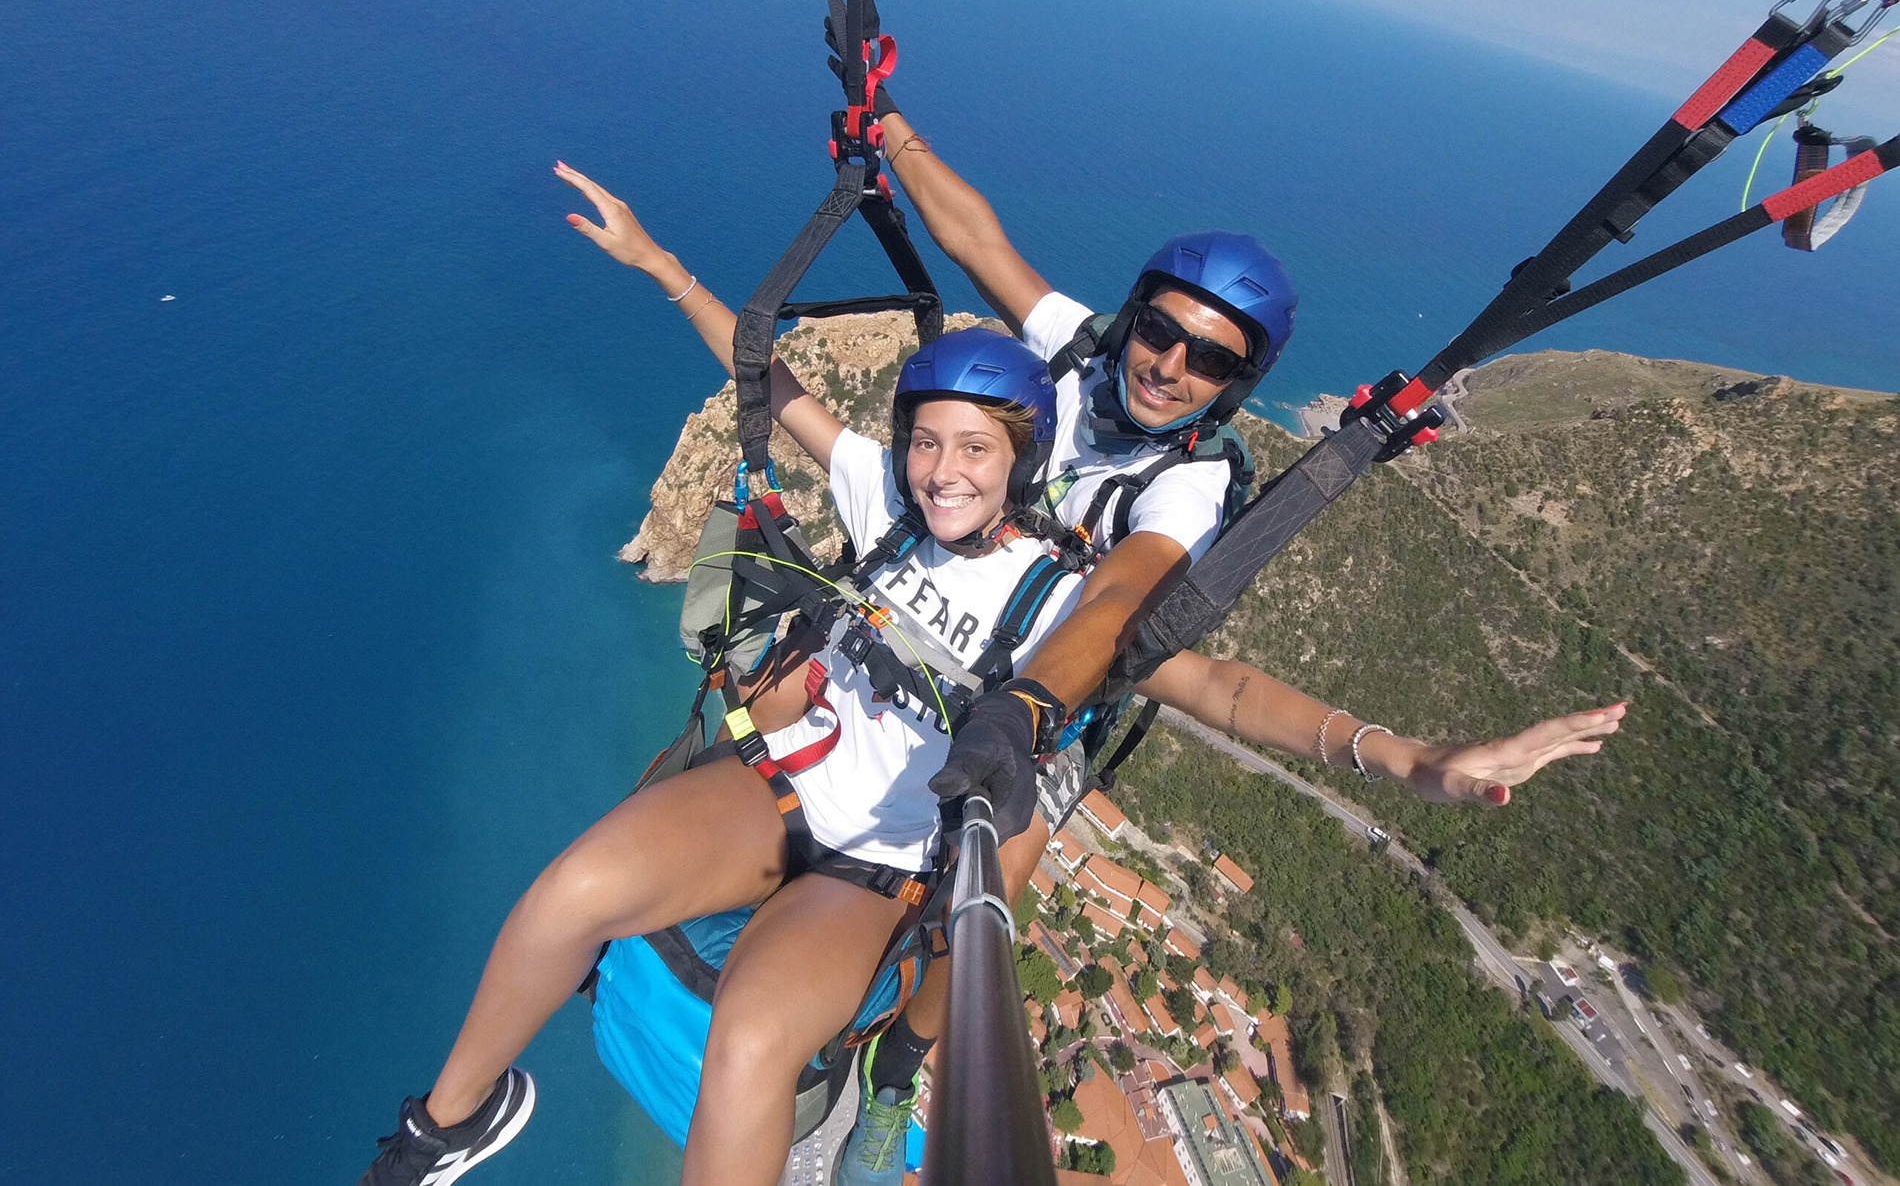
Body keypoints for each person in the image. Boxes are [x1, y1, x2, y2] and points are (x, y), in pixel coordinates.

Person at [557, 159, 1624, 1186]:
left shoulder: (1189, 481)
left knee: (988, 878)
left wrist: (1410, 756)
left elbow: (1141, 625)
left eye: (1205, 359)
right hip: (931, 623)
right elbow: (974, 242)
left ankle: (893, 1072)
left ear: (1233, 381)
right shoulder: (1080, 355)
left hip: (1044, 685)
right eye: (1156, 330)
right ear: (1131, 320)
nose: (1166, 365)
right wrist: (884, 132)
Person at [354, 182, 1097, 1185]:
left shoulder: (1056, 597)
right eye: (926, 439)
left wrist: (1366, 746)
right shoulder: (883, 494)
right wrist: (661, 264)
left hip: (877, 868)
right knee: (568, 892)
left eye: (976, 448)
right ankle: (441, 1133)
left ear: (1023, 460)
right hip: (774, 784)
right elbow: (770, 384)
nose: (939, 469)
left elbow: (1207, 678)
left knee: (751, 1040)